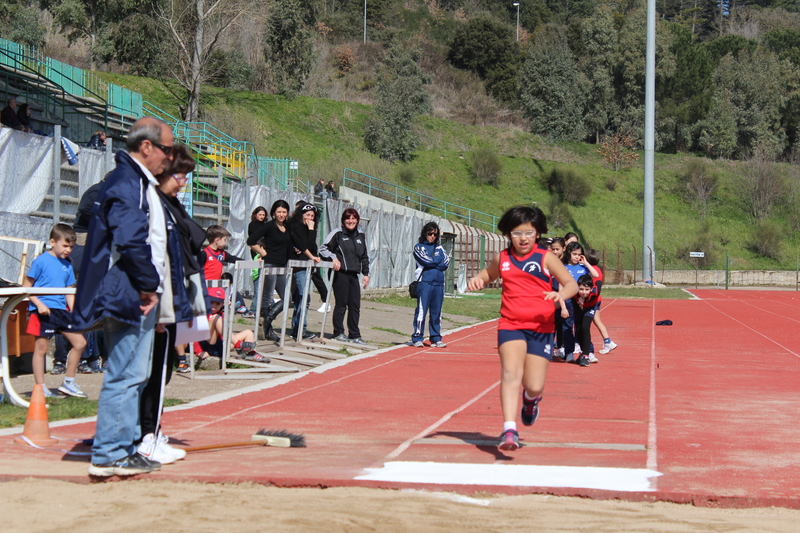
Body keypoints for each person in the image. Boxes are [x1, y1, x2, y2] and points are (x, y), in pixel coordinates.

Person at [74, 116, 174, 477]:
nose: (170, 158)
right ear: (146, 147)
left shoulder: (138, 182)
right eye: (167, 149)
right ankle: (110, 452)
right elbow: (131, 238)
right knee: (125, 372)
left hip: (137, 290)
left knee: (136, 372)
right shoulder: (126, 182)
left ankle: (125, 445)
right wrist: (148, 284)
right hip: (128, 291)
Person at [467, 206, 578, 452]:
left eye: (528, 232)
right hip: (511, 324)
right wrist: (479, 278)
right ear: (509, 235)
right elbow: (489, 272)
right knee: (510, 373)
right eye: (517, 233)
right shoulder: (503, 258)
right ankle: (509, 429)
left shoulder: (545, 257)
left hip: (541, 326)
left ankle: (530, 400)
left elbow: (570, 283)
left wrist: (560, 294)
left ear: (537, 234)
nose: (523, 238)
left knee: (534, 384)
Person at [138, 144, 206, 464]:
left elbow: (189, 249)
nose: (184, 183)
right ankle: (145, 435)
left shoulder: (173, 206)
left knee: (162, 371)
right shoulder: (153, 203)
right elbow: (156, 255)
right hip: (156, 299)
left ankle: (152, 431)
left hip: (172, 297)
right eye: (180, 176)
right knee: (151, 370)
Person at [24, 224, 88, 398]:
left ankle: (68, 382)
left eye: (71, 247)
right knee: (41, 348)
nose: (68, 250)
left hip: (61, 311)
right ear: (53, 242)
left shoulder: (67, 265)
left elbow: (69, 291)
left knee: (80, 343)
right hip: (42, 311)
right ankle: (40, 387)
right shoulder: (41, 261)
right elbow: (27, 286)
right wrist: (38, 304)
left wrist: (75, 312)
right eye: (65, 245)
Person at [320, 208, 370, 344]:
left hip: (354, 274)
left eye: (354, 219)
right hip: (340, 274)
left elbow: (364, 256)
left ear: (358, 220)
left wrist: (366, 274)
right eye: (348, 218)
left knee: (355, 305)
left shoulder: (361, 235)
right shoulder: (337, 234)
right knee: (341, 304)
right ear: (343, 220)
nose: (351, 221)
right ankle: (338, 333)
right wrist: (333, 258)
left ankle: (354, 335)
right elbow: (323, 249)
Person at [247, 199, 292, 341]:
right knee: (267, 298)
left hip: (282, 267)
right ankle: (267, 331)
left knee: (288, 299)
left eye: (284, 212)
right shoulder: (269, 226)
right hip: (270, 265)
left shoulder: (287, 227)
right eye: (279, 212)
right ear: (273, 213)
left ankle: (266, 323)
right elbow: (250, 241)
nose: (281, 214)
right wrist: (264, 253)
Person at [193, 287, 268, 362]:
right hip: (205, 345)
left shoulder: (221, 314)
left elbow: (224, 332)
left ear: (222, 304)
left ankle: (250, 353)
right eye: (211, 302)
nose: (214, 306)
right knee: (215, 317)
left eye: (217, 303)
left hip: (219, 345)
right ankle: (239, 345)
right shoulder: (201, 314)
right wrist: (199, 351)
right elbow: (194, 335)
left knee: (248, 332)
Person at [410, 221, 449, 348]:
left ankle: (436, 338)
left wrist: (435, 261)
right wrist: (437, 260)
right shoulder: (419, 247)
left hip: (439, 284)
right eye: (430, 234)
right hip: (425, 283)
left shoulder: (440, 248)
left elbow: (446, 263)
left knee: (436, 312)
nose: (432, 236)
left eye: (435, 234)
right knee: (422, 311)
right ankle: (417, 337)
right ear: (425, 233)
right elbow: (425, 261)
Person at [560, 241, 599, 361]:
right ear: (568, 254)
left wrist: (586, 262)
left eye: (579, 254)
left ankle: (588, 351)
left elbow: (595, 274)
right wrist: (563, 306)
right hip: (569, 302)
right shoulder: (564, 268)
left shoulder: (583, 267)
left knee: (582, 328)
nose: (577, 257)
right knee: (567, 327)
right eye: (574, 254)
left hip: (582, 303)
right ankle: (569, 352)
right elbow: (561, 288)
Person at [287, 203, 321, 340]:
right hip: (299, 266)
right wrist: (311, 230)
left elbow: (312, 247)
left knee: (301, 297)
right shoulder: (296, 227)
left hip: (307, 266)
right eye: (307, 215)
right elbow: (308, 246)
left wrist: (311, 229)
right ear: (301, 215)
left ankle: (297, 327)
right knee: (304, 297)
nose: (310, 218)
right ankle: (301, 328)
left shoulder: (309, 228)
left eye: (312, 216)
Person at [585, 249, 617, 355]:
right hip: (596, 299)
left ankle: (607, 342)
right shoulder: (597, 269)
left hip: (593, 300)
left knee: (593, 322)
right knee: (597, 321)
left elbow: (596, 286)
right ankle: (608, 341)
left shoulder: (592, 271)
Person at [572, 275, 598, 367]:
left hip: (590, 307)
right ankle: (583, 353)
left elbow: (598, 281)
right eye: (581, 289)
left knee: (585, 327)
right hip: (579, 307)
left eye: (587, 289)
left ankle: (586, 355)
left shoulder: (595, 292)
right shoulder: (574, 293)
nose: (583, 292)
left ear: (591, 289)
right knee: (578, 329)